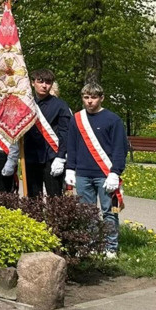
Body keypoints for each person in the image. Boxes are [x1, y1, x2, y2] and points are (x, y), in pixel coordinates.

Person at [66, 82, 128, 258]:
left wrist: (115, 172)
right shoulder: (76, 119)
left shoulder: (113, 119)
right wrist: (70, 169)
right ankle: (91, 244)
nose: (90, 101)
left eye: (93, 97)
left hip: (105, 174)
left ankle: (111, 247)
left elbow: (119, 149)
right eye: (86, 97)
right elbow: (72, 146)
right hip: (83, 174)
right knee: (87, 212)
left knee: (109, 212)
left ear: (102, 98)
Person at [23, 68, 72, 197]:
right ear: (33, 83)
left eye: (48, 82)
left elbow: (65, 134)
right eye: (40, 81)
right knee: (33, 198)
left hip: (52, 157)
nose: (44, 85)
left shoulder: (61, 106)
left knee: (55, 197)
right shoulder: (25, 104)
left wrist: (61, 157)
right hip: (30, 156)